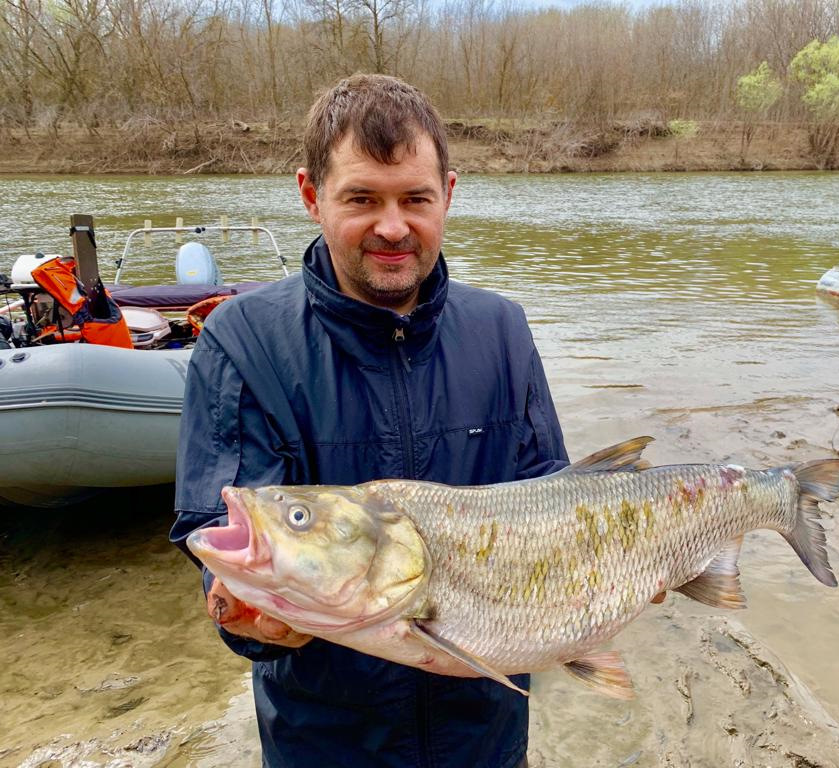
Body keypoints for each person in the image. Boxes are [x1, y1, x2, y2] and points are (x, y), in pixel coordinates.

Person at [169, 74, 569, 767]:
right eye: (361, 198)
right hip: (325, 746)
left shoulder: (502, 330)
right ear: (310, 195)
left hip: (488, 739)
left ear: (448, 194)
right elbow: (220, 538)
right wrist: (252, 619)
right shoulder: (242, 342)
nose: (392, 226)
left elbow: (556, 502)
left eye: (414, 198)